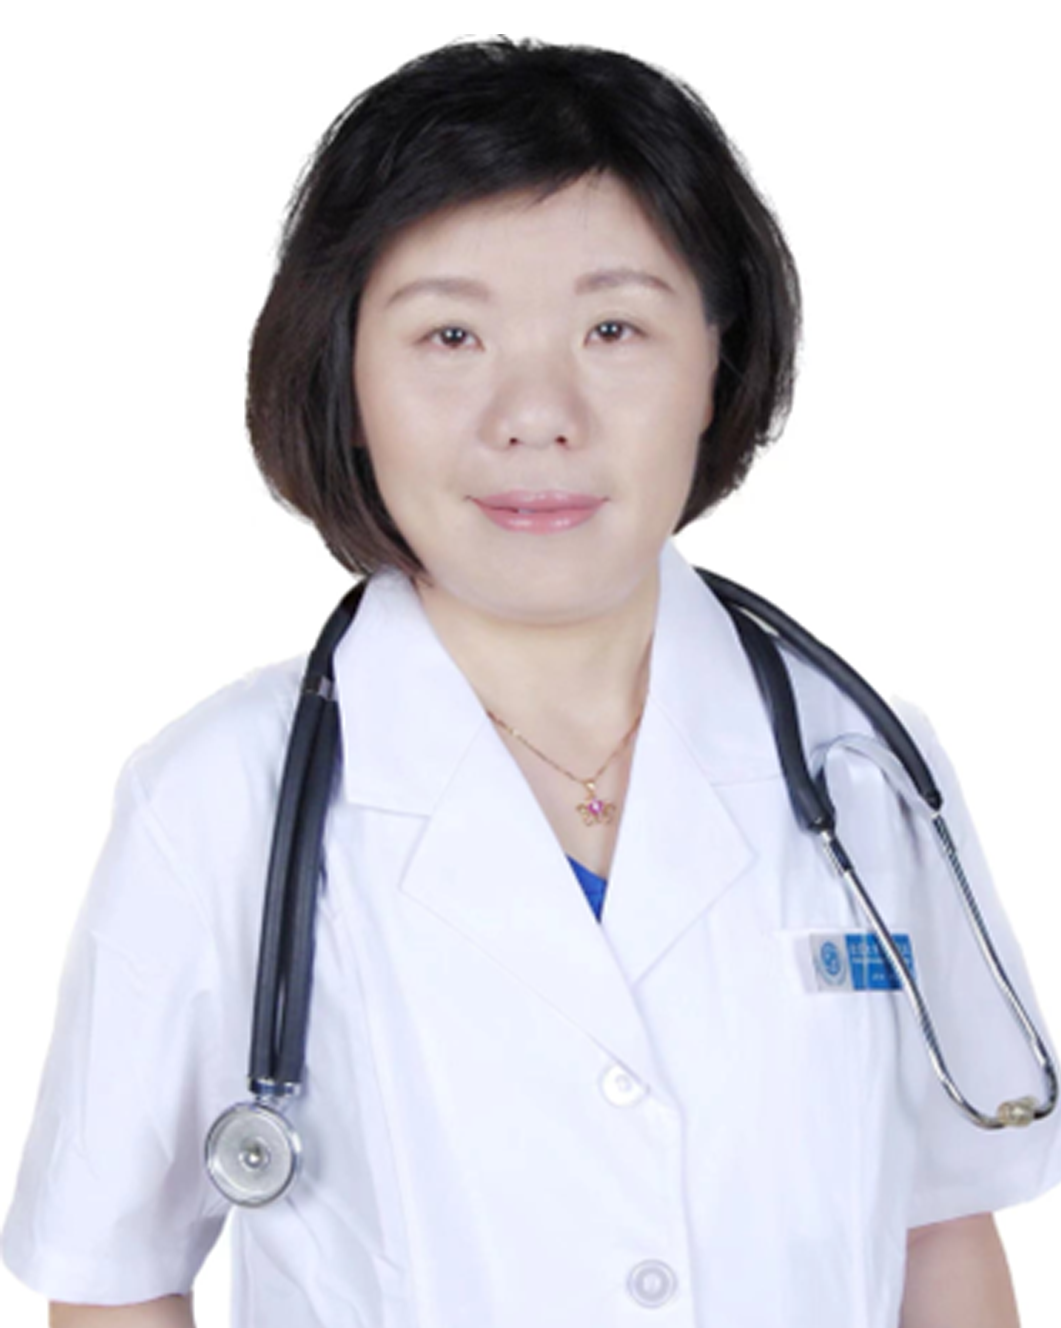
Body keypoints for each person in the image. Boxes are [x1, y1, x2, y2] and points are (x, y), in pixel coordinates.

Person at [3, 35, 1059, 1328]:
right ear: (344, 375)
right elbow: (117, 1285)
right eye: (450, 334)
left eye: (614, 328)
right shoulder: (216, 801)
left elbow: (940, 1228)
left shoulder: (862, 767)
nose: (536, 411)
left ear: (717, 363)